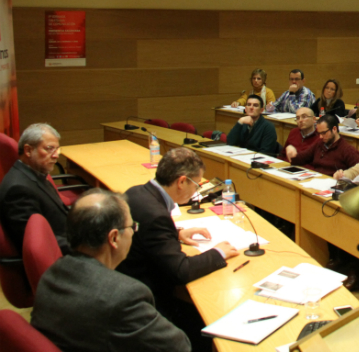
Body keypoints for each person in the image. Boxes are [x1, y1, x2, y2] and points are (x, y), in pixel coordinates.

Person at [31, 189, 190, 352]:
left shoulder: (52, 273)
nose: (133, 232)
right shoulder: (125, 296)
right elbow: (179, 347)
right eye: (132, 227)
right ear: (114, 238)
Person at [117, 148, 239, 348]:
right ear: (181, 182)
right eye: (196, 184)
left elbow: (145, 233)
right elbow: (181, 270)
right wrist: (218, 253)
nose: (196, 191)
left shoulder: (136, 192)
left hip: (125, 281)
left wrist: (176, 233)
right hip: (148, 299)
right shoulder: (157, 216)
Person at [0, 123, 69, 254]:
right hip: (63, 256)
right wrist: (85, 246)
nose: (56, 155)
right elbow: (37, 243)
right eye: (49, 149)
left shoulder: (34, 173)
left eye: (57, 149)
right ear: (28, 151)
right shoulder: (18, 190)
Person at [285, 114, 359, 176]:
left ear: (334, 129)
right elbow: (301, 159)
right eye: (319, 133)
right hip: (315, 181)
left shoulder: (349, 151)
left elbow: (358, 175)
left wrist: (343, 176)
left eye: (324, 133)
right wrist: (292, 154)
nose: (320, 137)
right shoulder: (319, 143)